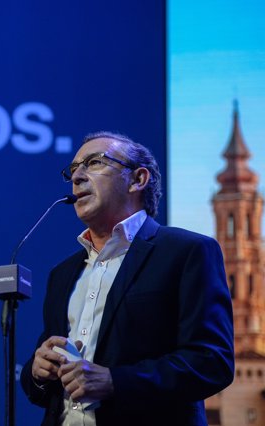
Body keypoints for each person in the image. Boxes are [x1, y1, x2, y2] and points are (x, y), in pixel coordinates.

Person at [20, 131, 234, 426]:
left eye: (94, 163)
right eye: (72, 170)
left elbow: (212, 363)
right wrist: (37, 371)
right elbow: (44, 392)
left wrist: (114, 381)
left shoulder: (187, 252)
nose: (77, 177)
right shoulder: (63, 274)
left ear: (138, 179)